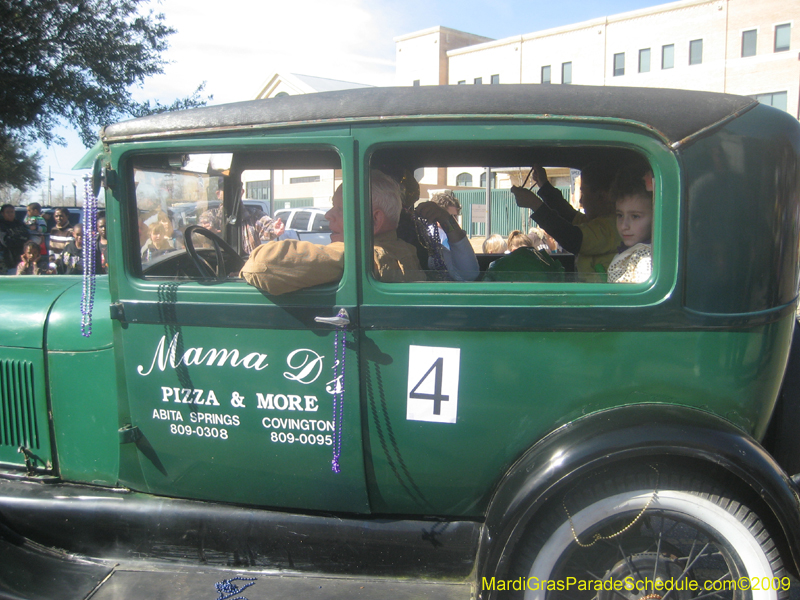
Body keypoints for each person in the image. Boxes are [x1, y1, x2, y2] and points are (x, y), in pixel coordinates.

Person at [240, 170, 424, 295]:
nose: (328, 215)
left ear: (375, 220)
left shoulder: (369, 255)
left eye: (340, 209)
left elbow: (262, 265)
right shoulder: (404, 250)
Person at [511, 163, 620, 279]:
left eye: (583, 193)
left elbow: (572, 238)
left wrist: (534, 204)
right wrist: (544, 186)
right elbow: (568, 215)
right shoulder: (595, 223)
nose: (581, 200)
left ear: (602, 196)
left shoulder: (613, 227)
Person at [415, 190, 479, 281]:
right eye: (450, 217)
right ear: (434, 215)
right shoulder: (435, 237)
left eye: (455, 217)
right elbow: (468, 273)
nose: (454, 221)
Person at [607, 166, 654, 284]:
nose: (624, 226)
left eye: (635, 216)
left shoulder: (645, 260)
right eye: (620, 215)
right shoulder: (630, 252)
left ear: (655, 216)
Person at [0, 204, 30, 274]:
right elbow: (6, 241)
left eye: (12, 212)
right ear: (2, 213)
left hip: (21, 257)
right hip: (7, 258)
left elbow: (27, 236)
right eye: (7, 212)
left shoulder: (19, 224)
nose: (10, 214)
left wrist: (18, 239)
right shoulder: (1, 225)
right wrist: (23, 242)